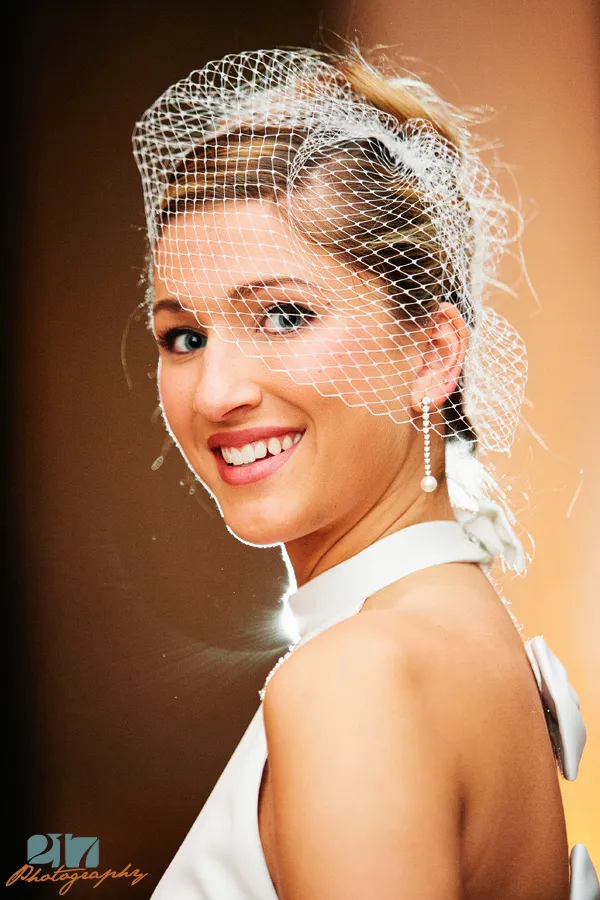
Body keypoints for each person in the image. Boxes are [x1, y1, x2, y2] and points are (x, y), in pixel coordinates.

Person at [132, 47, 599, 899]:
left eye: (284, 315)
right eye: (184, 336)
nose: (216, 392)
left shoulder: (356, 681)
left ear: (431, 353)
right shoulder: (465, 634)